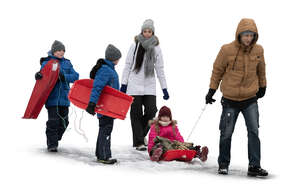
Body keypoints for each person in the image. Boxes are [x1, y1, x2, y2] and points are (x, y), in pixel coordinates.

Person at [205, 18, 268, 177]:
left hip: (250, 99)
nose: (248, 38)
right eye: (245, 35)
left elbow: (261, 70)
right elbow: (217, 70)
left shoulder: (258, 50)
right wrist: (212, 90)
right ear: (239, 35)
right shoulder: (227, 50)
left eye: (251, 35)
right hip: (230, 100)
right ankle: (223, 164)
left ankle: (254, 165)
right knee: (226, 133)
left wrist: (263, 86)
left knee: (253, 131)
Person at [120, 19, 169, 151]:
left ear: (153, 32)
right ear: (142, 31)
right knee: (135, 113)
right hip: (134, 84)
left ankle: (139, 136)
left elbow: (160, 68)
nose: (147, 33)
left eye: (149, 31)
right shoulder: (135, 45)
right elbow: (128, 65)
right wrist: (124, 84)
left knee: (152, 110)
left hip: (149, 85)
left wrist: (164, 88)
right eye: (145, 31)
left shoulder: (157, 48)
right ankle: (139, 142)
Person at [35, 40, 79, 152]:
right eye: (58, 50)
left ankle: (55, 138)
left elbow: (75, 76)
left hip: (64, 97)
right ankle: (52, 144)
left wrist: (64, 76)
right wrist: (38, 76)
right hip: (52, 97)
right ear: (54, 51)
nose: (61, 52)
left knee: (65, 122)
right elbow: (42, 77)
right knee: (53, 121)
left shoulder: (67, 63)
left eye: (63, 50)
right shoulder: (47, 62)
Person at [85, 44, 122, 164]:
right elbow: (97, 87)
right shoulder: (106, 70)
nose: (118, 60)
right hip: (105, 106)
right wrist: (92, 103)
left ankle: (101, 153)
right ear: (113, 58)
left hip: (109, 106)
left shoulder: (109, 69)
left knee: (105, 129)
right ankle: (103, 155)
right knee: (105, 129)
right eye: (117, 58)